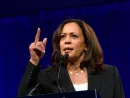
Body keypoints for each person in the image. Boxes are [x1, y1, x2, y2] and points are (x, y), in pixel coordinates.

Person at [17, 19, 125, 98]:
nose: (66, 41)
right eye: (62, 36)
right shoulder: (48, 77)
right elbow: (23, 96)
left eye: (74, 36)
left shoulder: (109, 74)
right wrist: (34, 60)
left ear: (86, 44)